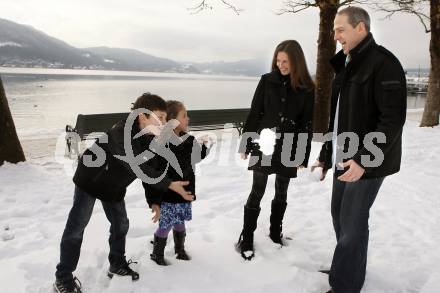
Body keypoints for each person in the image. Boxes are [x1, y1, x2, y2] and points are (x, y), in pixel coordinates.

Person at [54, 93, 193, 293]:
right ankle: (63, 277)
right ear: (143, 116)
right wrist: (169, 184)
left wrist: (154, 201)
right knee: (76, 227)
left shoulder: (153, 138)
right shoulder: (122, 132)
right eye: (160, 117)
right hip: (91, 180)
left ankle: (116, 263)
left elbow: (151, 170)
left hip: (114, 186)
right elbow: (138, 167)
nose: (164, 123)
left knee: (121, 224)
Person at [310, 7, 407, 293]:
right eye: (334, 30)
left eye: (341, 29)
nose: (335, 35)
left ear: (361, 28)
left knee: (352, 222)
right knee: (339, 215)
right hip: (344, 155)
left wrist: (364, 160)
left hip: (368, 162)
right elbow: (337, 115)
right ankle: (347, 267)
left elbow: (392, 119)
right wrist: (327, 155)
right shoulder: (347, 62)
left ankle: (345, 285)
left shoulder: (384, 63)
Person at [237, 40, 315, 260]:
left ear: (296, 62)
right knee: (257, 190)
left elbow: (305, 125)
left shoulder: (307, 88)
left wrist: (302, 154)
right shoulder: (266, 81)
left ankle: (274, 231)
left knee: (282, 191)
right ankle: (247, 236)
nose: (281, 65)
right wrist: (245, 143)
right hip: (265, 142)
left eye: (286, 61)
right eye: (278, 61)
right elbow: (255, 113)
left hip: (290, 146)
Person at [147, 100, 212, 266]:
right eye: (184, 116)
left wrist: (205, 147)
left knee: (179, 221)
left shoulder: (189, 140)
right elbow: (156, 173)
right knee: (166, 224)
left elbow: (195, 158)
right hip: (168, 194)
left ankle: (179, 249)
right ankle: (157, 253)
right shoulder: (161, 142)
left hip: (185, 190)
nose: (188, 119)